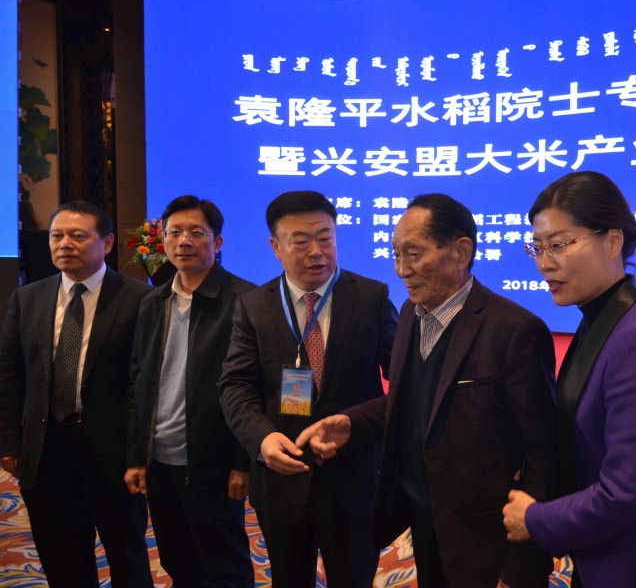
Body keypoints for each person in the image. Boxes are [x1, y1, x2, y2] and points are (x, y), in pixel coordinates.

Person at [298, 193, 558, 588]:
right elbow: (416, 399)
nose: (402, 269)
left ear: (461, 252)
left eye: (414, 254)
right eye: (396, 255)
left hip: (486, 536)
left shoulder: (514, 331)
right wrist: (352, 423)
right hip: (425, 521)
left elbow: (542, 454)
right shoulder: (410, 314)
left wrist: (519, 568)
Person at [500, 171, 636, 587]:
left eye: (559, 244)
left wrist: (536, 518)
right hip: (611, 557)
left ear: (613, 241)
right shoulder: (605, 317)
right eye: (538, 247)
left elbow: (628, 493)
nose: (545, 262)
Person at [218, 190, 398, 588]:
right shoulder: (253, 306)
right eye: (301, 241)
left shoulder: (371, 297)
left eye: (325, 238)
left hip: (353, 475)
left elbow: (404, 383)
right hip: (282, 476)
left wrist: (356, 424)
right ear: (276, 247)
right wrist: (262, 439)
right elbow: (235, 385)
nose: (316, 251)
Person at [0, 201, 154, 588]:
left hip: (112, 453)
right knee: (61, 556)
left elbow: (144, 384)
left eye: (77, 236)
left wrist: (138, 454)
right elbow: (9, 374)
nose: (64, 244)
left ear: (107, 242)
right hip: (46, 447)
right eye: (57, 236)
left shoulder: (139, 298)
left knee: (128, 557)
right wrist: (10, 442)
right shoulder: (27, 297)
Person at [125, 196, 256, 586]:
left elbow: (255, 389)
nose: (183, 241)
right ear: (163, 240)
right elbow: (138, 383)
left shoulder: (244, 301)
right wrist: (137, 457)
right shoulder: (153, 302)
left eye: (196, 232)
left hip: (213, 460)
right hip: (160, 459)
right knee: (177, 561)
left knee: (225, 564)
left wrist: (242, 461)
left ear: (217, 242)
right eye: (174, 232)